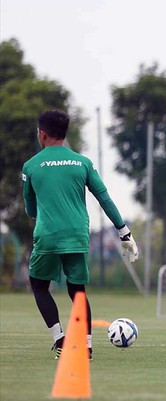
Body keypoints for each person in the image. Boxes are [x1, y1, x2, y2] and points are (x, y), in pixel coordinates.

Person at [22, 110, 139, 360]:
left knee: (39, 285)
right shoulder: (83, 163)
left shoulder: (31, 166)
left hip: (48, 235)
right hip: (77, 236)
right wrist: (124, 232)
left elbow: (30, 210)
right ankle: (86, 347)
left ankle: (60, 339)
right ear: (65, 134)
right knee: (77, 291)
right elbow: (103, 198)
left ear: (42, 134)